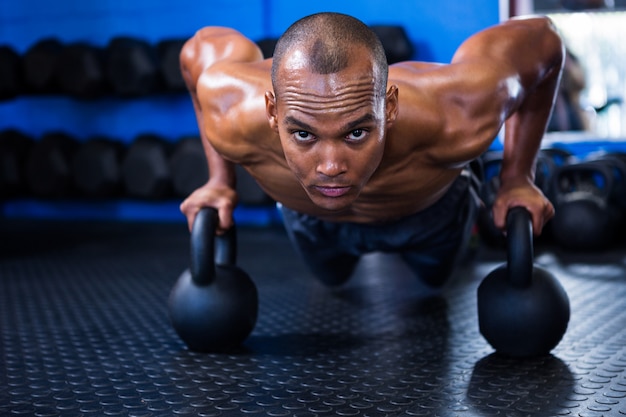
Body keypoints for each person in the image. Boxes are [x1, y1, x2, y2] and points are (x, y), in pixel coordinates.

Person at [179, 12, 562, 287]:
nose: (330, 166)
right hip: (313, 223)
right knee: (331, 282)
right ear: (272, 111)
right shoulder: (230, 108)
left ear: (389, 108)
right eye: (304, 135)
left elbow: (544, 38)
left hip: (430, 218)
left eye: (356, 133)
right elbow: (196, 51)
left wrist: (516, 178)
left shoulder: (454, 112)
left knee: (435, 287)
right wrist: (219, 180)